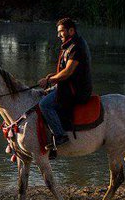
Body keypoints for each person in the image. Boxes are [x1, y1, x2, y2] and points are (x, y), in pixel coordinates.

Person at [38, 18, 93, 157]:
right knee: (41, 94)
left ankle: (60, 135)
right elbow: (66, 72)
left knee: (44, 105)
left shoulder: (76, 47)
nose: (59, 35)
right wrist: (54, 76)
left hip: (77, 90)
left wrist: (50, 80)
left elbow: (68, 72)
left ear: (71, 30)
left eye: (61, 31)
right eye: (58, 32)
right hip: (69, 86)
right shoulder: (70, 45)